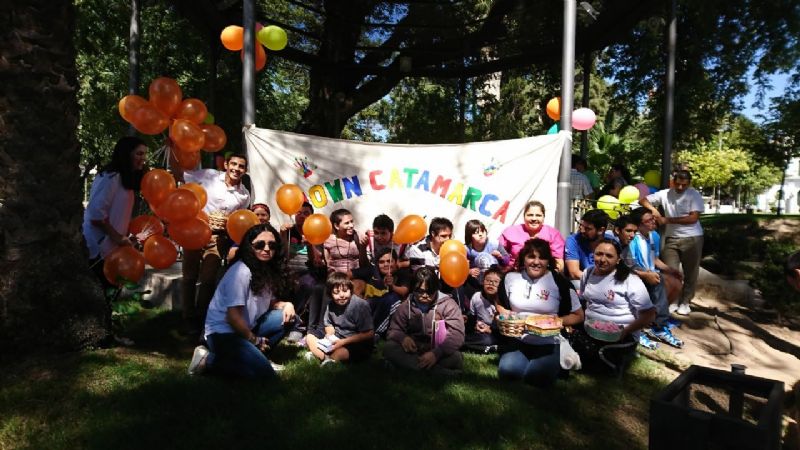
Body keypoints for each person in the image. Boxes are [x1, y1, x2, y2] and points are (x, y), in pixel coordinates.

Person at [187, 223, 296, 379]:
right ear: (249, 247)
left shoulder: (266, 269)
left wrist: (287, 305)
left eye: (272, 245)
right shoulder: (241, 271)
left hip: (245, 328)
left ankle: (254, 357)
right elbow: (233, 317)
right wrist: (254, 340)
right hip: (223, 333)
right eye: (260, 245)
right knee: (264, 375)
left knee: (288, 317)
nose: (267, 249)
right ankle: (208, 359)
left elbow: (270, 303)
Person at [174, 153, 251, 333]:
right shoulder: (209, 175)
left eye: (241, 166)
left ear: (245, 170)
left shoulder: (244, 195)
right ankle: (188, 317)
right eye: (233, 164)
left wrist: (227, 224)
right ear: (226, 165)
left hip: (218, 238)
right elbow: (180, 174)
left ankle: (202, 317)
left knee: (208, 279)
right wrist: (172, 151)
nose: (236, 169)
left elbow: (238, 221)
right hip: (195, 231)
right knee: (189, 276)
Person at [495, 239, 584, 387]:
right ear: (523, 258)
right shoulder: (510, 278)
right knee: (508, 373)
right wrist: (504, 312)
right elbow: (499, 302)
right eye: (531, 257)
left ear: (548, 261)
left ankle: (558, 360)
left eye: (542, 257)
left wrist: (554, 322)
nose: (536, 262)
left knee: (537, 378)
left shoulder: (560, 282)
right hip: (519, 340)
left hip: (549, 342)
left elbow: (579, 315)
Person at [82, 136, 147, 335]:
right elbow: (96, 215)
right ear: (126, 154)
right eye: (139, 153)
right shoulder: (110, 177)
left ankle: (106, 332)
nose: (143, 159)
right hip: (99, 248)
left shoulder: (125, 178)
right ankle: (99, 334)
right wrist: (117, 237)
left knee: (110, 293)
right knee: (100, 293)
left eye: (144, 154)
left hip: (113, 247)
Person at [572, 239, 656, 374]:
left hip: (622, 335)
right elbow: (585, 299)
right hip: (591, 330)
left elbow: (649, 314)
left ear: (618, 259)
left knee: (595, 360)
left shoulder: (630, 280)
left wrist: (625, 332)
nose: (602, 259)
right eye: (599, 254)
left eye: (609, 256)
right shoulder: (588, 273)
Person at [640, 170, 704, 315]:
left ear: (689, 184)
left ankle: (686, 301)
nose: (680, 187)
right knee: (670, 271)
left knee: (691, 272)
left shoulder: (694, 195)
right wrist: (653, 210)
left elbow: (693, 218)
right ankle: (673, 300)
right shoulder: (665, 193)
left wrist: (667, 220)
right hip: (671, 238)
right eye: (678, 184)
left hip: (693, 237)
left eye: (684, 185)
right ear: (673, 182)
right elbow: (643, 200)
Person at [384, 267, 465, 375]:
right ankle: (439, 372)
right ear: (413, 289)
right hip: (413, 350)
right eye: (420, 291)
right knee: (389, 348)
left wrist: (436, 353)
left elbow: (457, 335)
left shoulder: (448, 305)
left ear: (436, 288)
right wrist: (403, 338)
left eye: (430, 291)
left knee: (456, 357)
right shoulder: (405, 306)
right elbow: (393, 330)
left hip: (439, 351)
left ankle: (410, 366)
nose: (425, 295)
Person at [627, 208, 684, 349]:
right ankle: (655, 326)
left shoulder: (654, 236)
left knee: (675, 281)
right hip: (637, 274)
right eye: (649, 220)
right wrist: (647, 274)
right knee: (657, 283)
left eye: (653, 218)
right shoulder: (634, 239)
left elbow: (654, 259)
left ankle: (656, 320)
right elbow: (631, 265)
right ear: (639, 224)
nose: (654, 221)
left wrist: (670, 269)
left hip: (651, 273)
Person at [304, 272, 374, 365]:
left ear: (350, 290)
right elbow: (328, 324)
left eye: (345, 291)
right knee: (309, 337)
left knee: (340, 353)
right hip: (337, 339)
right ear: (330, 294)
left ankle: (322, 356)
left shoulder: (360, 305)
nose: (341, 295)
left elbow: (369, 333)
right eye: (336, 292)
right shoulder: (330, 304)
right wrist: (329, 335)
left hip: (355, 342)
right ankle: (326, 358)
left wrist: (343, 342)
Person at [499, 200, 565, 271]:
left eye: (538, 215)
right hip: (514, 272)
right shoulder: (510, 232)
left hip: (543, 273)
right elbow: (499, 254)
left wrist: (548, 274)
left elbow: (559, 262)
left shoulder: (553, 234)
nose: (534, 218)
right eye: (530, 215)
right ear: (524, 216)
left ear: (543, 217)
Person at [361, 248, 412, 337]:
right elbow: (350, 274)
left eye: (389, 261)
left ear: (396, 262)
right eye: (381, 262)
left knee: (392, 298)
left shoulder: (402, 273)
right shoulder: (372, 271)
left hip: (394, 314)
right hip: (371, 311)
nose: (386, 264)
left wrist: (392, 286)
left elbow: (404, 291)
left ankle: (376, 333)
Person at [463, 266, 503, 353]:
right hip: (480, 334)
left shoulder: (503, 302)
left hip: (498, 334)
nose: (491, 284)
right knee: (484, 339)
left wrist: (489, 330)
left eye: (495, 282)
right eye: (488, 280)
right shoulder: (477, 297)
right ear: (483, 281)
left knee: (488, 340)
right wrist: (476, 325)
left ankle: (463, 344)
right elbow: (472, 319)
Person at [564, 209, 611, 283]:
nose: (582, 230)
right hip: (582, 283)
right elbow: (574, 273)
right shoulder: (573, 240)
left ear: (601, 230)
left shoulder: (611, 243)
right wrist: (599, 282)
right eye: (581, 226)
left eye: (588, 229)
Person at [323, 208, 369, 276]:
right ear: (336, 226)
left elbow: (364, 264)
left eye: (352, 221)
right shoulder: (328, 240)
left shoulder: (359, 237)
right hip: (336, 277)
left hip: (355, 276)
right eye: (347, 223)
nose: (351, 225)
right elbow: (327, 263)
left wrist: (363, 247)